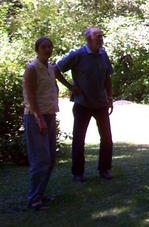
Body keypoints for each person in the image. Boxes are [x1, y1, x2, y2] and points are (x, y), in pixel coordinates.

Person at [55, 27, 114, 182]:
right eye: (98, 37)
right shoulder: (78, 54)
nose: (101, 39)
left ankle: (104, 169)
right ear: (89, 39)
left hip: (100, 103)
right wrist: (70, 86)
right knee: (79, 139)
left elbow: (107, 77)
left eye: (102, 36)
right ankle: (78, 173)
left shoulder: (103, 54)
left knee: (107, 138)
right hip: (83, 104)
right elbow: (56, 69)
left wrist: (110, 97)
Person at [23, 37, 76, 210]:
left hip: (50, 115)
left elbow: (58, 75)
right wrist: (38, 118)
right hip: (35, 117)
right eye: (44, 47)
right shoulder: (32, 69)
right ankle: (34, 199)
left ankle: (40, 193)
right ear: (37, 49)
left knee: (51, 158)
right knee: (41, 159)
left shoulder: (50, 67)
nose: (48, 49)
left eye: (50, 46)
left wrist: (71, 86)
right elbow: (30, 96)